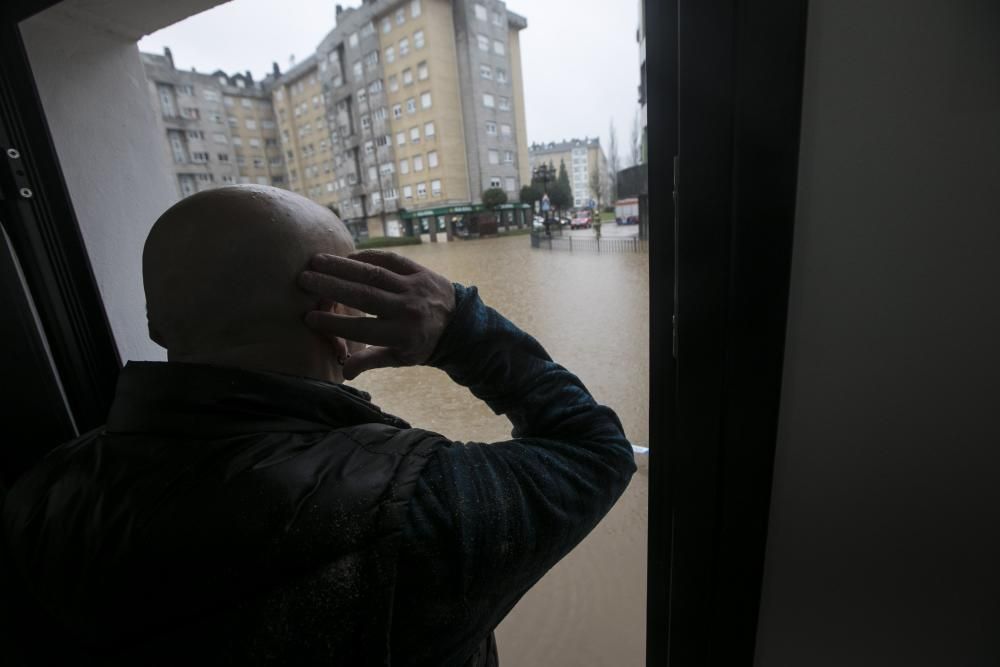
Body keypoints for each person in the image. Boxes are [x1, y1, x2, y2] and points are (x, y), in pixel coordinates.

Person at [1, 186, 636, 666]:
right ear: (340, 312)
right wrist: (463, 330)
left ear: (156, 323)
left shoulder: (42, 492)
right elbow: (596, 449)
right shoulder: (427, 501)